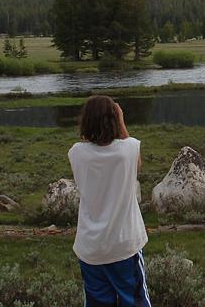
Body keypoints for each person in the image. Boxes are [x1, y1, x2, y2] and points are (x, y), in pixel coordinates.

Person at [68, 95, 151, 307]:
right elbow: (138, 164)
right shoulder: (129, 150)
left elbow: (88, 143)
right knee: (135, 301)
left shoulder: (77, 153)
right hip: (124, 245)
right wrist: (121, 123)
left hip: (91, 247)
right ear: (114, 119)